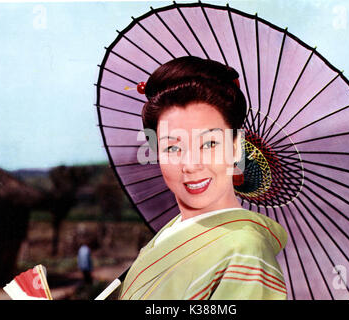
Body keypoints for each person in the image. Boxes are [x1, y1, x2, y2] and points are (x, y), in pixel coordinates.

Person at [118, 56, 287, 300]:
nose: (190, 165)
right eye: (172, 148)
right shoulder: (170, 233)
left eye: (208, 144)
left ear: (236, 147)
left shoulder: (246, 250)